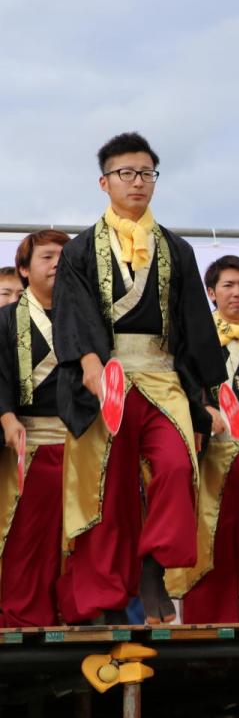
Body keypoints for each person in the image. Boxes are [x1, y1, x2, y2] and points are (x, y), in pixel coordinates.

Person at [53, 132, 225, 625]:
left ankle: (154, 567)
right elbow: (75, 314)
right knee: (107, 492)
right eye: (126, 173)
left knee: (176, 466)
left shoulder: (177, 249)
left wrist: (207, 395)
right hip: (104, 380)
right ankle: (102, 602)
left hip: (162, 377)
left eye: (147, 173)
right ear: (104, 182)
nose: (138, 182)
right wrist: (88, 364)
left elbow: (193, 326)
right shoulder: (81, 250)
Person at [166, 255, 239, 621]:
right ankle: (210, 619)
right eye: (228, 285)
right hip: (212, 452)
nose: (237, 292)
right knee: (212, 536)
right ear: (210, 292)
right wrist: (201, 412)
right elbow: (180, 385)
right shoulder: (193, 341)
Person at [0, 230, 70, 626]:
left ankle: (79, 615)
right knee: (29, 539)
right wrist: (8, 418)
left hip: (82, 443)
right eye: (47, 256)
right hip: (29, 441)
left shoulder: (86, 319)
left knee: (81, 540)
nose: (57, 262)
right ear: (25, 270)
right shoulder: (6, 321)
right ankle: (23, 618)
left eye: (64, 255)